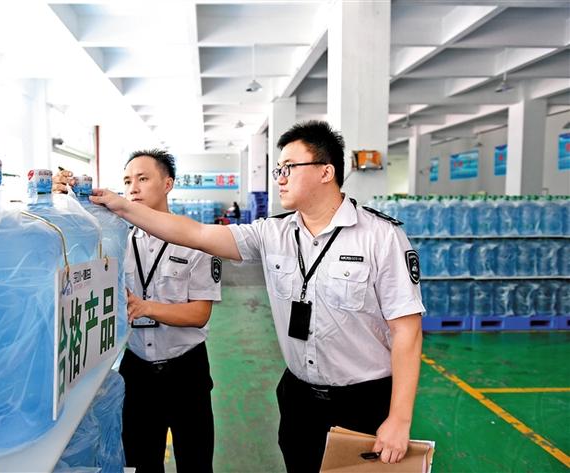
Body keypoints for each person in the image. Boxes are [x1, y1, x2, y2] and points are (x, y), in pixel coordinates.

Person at [86, 121, 424, 473]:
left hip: (363, 400)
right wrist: (118, 205)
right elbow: (197, 233)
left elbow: (407, 330)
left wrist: (399, 419)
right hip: (299, 397)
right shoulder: (273, 233)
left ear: (326, 172)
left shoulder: (380, 237)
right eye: (278, 169)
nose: (279, 178)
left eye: (289, 168)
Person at [54, 150, 222, 473]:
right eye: (128, 181)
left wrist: (146, 308)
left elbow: (199, 314)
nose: (133, 188)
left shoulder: (196, 240)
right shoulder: (116, 239)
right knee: (141, 463)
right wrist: (62, 197)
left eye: (143, 179)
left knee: (196, 463)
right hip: (136, 371)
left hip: (186, 371)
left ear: (168, 184)